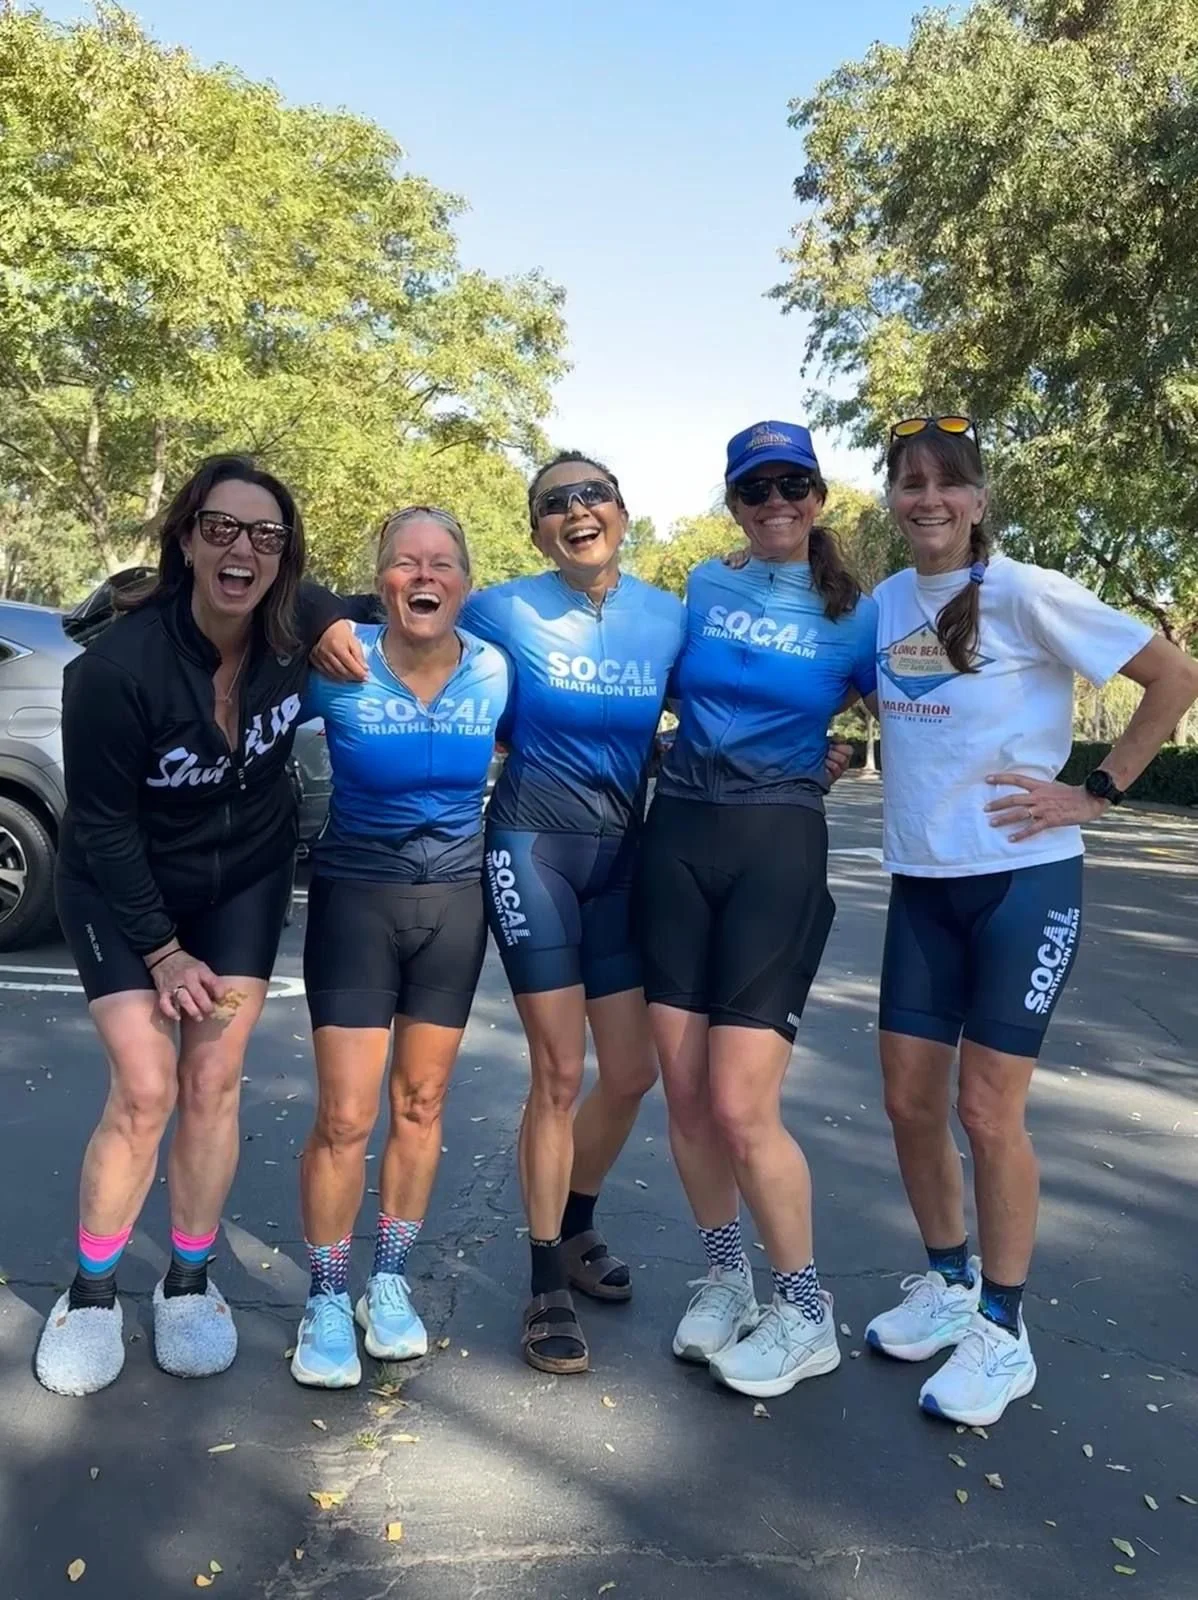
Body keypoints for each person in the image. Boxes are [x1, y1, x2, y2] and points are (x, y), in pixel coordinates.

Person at [313, 452, 685, 1375]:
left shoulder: (669, 614)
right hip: (530, 848)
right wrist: (326, 615)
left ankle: (576, 1223)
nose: (578, 509)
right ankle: (544, 1284)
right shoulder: (497, 609)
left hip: (623, 854)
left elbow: (732, 695)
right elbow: (362, 616)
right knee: (559, 1072)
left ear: (623, 509)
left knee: (631, 1073)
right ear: (535, 530)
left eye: (593, 493)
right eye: (555, 502)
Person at [863, 415, 1198, 1426]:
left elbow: (1173, 674)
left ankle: (1002, 1332)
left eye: (946, 484)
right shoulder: (882, 604)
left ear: (977, 500)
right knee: (910, 1104)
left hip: (1021, 884)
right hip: (922, 883)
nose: (928, 499)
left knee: (984, 1111)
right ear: (891, 497)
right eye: (909, 482)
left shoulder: (1026, 590)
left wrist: (1093, 790)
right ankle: (949, 1281)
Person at [36, 454, 355, 1397]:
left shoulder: (293, 630)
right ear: (185, 538)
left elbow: (348, 598)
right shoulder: (114, 674)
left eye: (266, 536)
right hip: (119, 884)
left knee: (212, 1079)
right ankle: (92, 1293)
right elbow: (99, 825)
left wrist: (334, 614)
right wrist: (163, 952)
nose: (243, 550)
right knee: (145, 1088)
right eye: (222, 528)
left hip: (241, 882)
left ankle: (187, 1278)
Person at [636, 420, 878, 1399]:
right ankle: (725, 1275)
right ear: (733, 502)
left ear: (819, 498)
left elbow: (912, 713)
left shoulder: (857, 614)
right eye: (755, 490)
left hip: (777, 846)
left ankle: (805, 1306)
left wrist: (848, 755)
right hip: (678, 839)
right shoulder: (702, 586)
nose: (776, 504)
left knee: (741, 1102)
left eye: (793, 487)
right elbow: (644, 688)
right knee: (685, 1093)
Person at [290, 507, 510, 1388]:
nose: (425, 575)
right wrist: (318, 617)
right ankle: (323, 1293)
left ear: (465, 582)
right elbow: (264, 623)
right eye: (406, 562)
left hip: (454, 906)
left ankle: (387, 1282)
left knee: (420, 1104)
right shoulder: (337, 665)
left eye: (443, 562)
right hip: (355, 901)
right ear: (381, 580)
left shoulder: (495, 668)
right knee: (346, 1116)